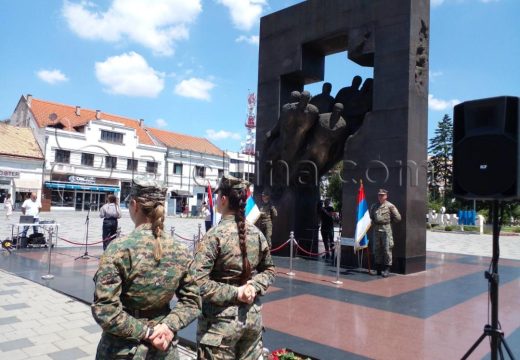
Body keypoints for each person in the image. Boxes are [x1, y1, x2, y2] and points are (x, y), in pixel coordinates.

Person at [92, 178, 200, 359]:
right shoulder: (180, 250)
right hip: (164, 347)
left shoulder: (119, 248)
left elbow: (105, 309)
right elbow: (192, 301)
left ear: (134, 205)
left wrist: (147, 333)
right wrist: (168, 327)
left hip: (123, 349)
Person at [191, 175, 275, 359]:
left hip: (219, 325)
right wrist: (252, 287)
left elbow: (196, 282)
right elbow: (269, 270)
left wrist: (238, 292)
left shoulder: (214, 236)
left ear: (223, 199)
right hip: (252, 320)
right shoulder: (257, 234)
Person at [369, 189, 401, 278]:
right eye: (379, 195)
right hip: (376, 230)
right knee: (377, 249)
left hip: (386, 230)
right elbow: (371, 216)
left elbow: (398, 218)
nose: (380, 196)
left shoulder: (390, 206)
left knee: (387, 249)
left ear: (386, 196)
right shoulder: (374, 206)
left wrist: (388, 223)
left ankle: (387, 269)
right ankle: (378, 268)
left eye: (382, 195)